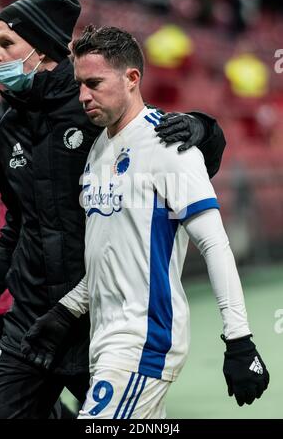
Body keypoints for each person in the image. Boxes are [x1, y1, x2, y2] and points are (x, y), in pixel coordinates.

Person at [0, 0, 226, 419]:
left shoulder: (92, 109)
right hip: (31, 325)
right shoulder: (8, 130)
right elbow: (17, 226)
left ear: (40, 48)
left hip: (99, 321)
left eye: (6, 43)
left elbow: (160, 139)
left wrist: (201, 127)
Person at [21, 25, 269, 419]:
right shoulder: (99, 149)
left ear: (132, 78)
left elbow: (214, 245)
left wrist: (239, 339)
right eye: (80, 84)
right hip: (106, 340)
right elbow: (111, 252)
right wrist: (65, 311)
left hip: (144, 341)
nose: (83, 95)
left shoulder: (169, 144)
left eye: (94, 83)